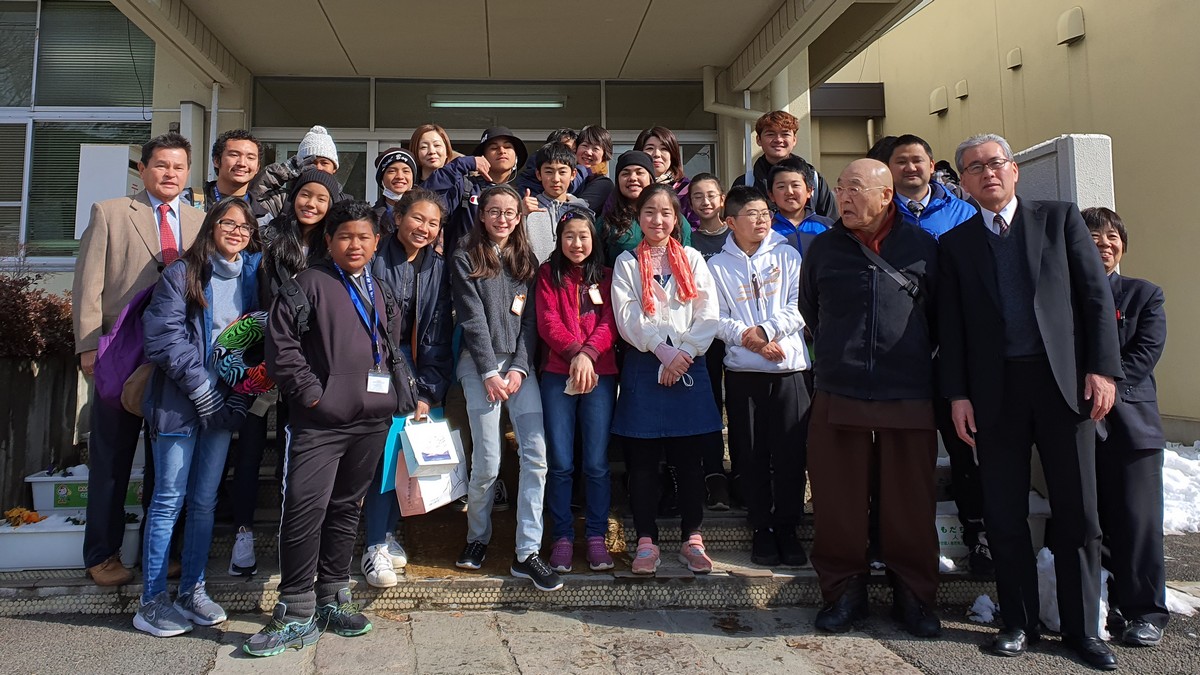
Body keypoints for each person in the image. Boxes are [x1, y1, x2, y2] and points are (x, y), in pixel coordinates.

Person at [938, 133, 1121, 670]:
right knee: (1004, 512)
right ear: (964, 182)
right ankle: (1016, 621)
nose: (987, 173)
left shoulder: (1060, 220)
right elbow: (953, 328)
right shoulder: (957, 243)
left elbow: (1094, 298)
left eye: (996, 163)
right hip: (996, 392)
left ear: (1014, 170)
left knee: (1079, 512)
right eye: (974, 168)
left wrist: (1103, 370)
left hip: (1065, 386)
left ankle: (1082, 628)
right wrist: (958, 394)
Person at [246, 200, 417, 657]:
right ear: (329, 241)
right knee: (305, 507)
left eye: (363, 237)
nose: (355, 244)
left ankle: (333, 595)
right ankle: (296, 607)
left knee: (346, 507)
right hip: (319, 424)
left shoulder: (380, 288)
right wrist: (314, 395)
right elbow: (281, 350)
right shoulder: (305, 286)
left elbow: (390, 345)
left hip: (372, 420)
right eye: (345, 237)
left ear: (377, 241)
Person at [799, 159, 941, 638]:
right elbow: (810, 309)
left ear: (886, 195)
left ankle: (914, 597)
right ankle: (843, 594)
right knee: (837, 501)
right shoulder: (823, 248)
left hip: (908, 389)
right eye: (839, 188)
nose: (844, 197)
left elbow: (941, 317)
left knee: (910, 503)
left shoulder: (922, 246)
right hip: (840, 387)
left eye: (855, 188)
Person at [73, 131, 203, 587]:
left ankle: (158, 549)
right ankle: (102, 554)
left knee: (165, 457)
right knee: (112, 457)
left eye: (179, 167)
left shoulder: (198, 218)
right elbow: (87, 284)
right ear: (143, 169)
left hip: (173, 354)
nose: (171, 174)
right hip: (118, 352)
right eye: (162, 165)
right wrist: (88, 347)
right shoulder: (110, 213)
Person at [134, 197, 262, 637]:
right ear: (211, 226)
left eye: (244, 228)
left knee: (205, 501)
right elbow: (164, 337)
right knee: (168, 499)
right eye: (229, 223)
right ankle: (151, 601)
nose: (236, 232)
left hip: (223, 407)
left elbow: (257, 340)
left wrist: (242, 395)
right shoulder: (182, 273)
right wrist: (203, 390)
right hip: (178, 403)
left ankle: (192, 589)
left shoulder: (250, 276)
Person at [884, 133, 989, 574]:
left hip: (953, 351)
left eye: (917, 161)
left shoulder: (964, 212)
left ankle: (978, 533)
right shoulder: (879, 216)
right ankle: (899, 541)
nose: (910, 168)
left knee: (965, 448)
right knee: (902, 452)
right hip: (898, 355)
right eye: (901, 162)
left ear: (932, 165)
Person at [450, 184, 561, 592]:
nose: (501, 219)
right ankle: (477, 537)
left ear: (519, 217)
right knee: (488, 462)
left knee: (536, 455)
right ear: (482, 214)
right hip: (479, 369)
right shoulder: (466, 256)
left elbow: (530, 322)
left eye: (509, 213)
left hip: (518, 369)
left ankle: (527, 551)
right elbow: (472, 319)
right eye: (494, 211)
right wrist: (488, 373)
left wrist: (517, 368)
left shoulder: (525, 260)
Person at [610, 183, 723, 576]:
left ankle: (693, 538)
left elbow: (708, 312)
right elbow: (627, 316)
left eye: (666, 213)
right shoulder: (626, 262)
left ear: (677, 220)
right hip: (645, 363)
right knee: (642, 462)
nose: (657, 220)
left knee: (688, 461)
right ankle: (645, 540)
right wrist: (662, 351)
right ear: (638, 218)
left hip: (689, 363)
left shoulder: (692, 258)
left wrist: (685, 354)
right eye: (649, 213)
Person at [708, 185, 810, 565]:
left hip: (789, 370)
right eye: (752, 213)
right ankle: (761, 526)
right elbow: (715, 318)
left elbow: (800, 305)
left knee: (789, 451)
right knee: (749, 453)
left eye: (765, 212)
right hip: (743, 373)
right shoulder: (717, 266)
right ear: (730, 221)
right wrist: (751, 341)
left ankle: (788, 526)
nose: (762, 219)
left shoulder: (787, 256)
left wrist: (767, 332)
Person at [1083, 207, 1169, 648]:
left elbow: (1144, 353)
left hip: (1133, 428)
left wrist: (1107, 386)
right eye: (1093, 235)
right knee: (1090, 522)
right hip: (1078, 427)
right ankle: (1106, 605)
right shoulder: (1064, 299)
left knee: (1138, 524)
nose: (1104, 244)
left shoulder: (1144, 295)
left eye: (1112, 237)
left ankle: (1146, 612)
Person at [361, 188, 454, 588]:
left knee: (404, 450)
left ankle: (386, 534)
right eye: (418, 218)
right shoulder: (374, 255)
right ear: (397, 217)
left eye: (433, 223)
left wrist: (428, 390)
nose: (425, 228)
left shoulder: (436, 266)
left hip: (411, 364)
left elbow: (436, 331)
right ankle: (372, 544)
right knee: (381, 452)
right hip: (369, 362)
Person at [537, 207, 618, 574]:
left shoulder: (607, 277)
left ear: (594, 239)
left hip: (600, 373)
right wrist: (574, 354)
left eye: (584, 236)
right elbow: (547, 321)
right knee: (561, 462)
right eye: (569, 236)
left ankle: (597, 536)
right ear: (559, 240)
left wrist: (588, 354)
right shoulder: (546, 275)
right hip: (557, 373)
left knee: (598, 463)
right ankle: (563, 537)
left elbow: (610, 321)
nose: (577, 243)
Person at [686, 173, 733, 509]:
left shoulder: (738, 237)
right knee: (710, 403)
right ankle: (713, 473)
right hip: (706, 337)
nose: (705, 202)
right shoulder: (689, 243)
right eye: (697, 196)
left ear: (722, 198)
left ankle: (740, 475)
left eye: (711, 195)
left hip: (742, 334)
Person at [426, 126, 528, 258]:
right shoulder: (465, 186)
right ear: (482, 157)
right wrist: (463, 163)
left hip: (505, 273)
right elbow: (425, 197)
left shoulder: (522, 195)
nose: (502, 151)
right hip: (464, 270)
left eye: (508, 147)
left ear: (516, 158)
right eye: (493, 147)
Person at [733, 111, 838, 220]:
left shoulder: (814, 180)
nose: (778, 140)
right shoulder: (746, 183)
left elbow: (831, 224)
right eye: (770, 134)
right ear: (758, 140)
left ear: (794, 140)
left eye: (785, 134)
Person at [601, 150, 691, 265]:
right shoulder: (608, 220)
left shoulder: (675, 220)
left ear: (650, 179)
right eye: (625, 173)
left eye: (639, 173)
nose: (632, 178)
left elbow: (688, 262)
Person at [249, 125, 341, 225]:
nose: (318, 168)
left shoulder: (343, 203)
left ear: (334, 168)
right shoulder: (281, 200)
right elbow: (251, 203)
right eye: (311, 162)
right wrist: (285, 170)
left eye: (324, 163)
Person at [522, 142, 590, 263]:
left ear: (573, 174)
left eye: (562, 172)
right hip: (535, 279)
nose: (556, 179)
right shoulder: (528, 208)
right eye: (549, 172)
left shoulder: (583, 211)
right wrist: (521, 215)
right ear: (539, 174)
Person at [767, 158, 834, 257]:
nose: (789, 192)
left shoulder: (828, 226)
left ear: (809, 191)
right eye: (781, 186)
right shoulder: (767, 229)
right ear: (771, 195)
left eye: (795, 185)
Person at [634, 126, 697, 227]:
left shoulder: (687, 190)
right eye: (650, 148)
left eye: (664, 148)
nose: (656, 154)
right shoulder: (632, 188)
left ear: (673, 154)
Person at [201, 129, 262, 209]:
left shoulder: (264, 217)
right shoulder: (188, 202)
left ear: (257, 167)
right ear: (216, 161)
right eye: (234, 155)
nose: (242, 163)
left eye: (250, 157)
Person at [371, 147, 420, 234]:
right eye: (392, 171)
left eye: (406, 171)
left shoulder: (425, 212)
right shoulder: (371, 217)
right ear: (381, 179)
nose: (400, 176)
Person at [574, 125, 615, 213]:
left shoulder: (603, 184)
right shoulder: (566, 175)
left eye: (595, 148)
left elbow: (577, 211)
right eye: (585, 145)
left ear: (604, 155)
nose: (588, 152)